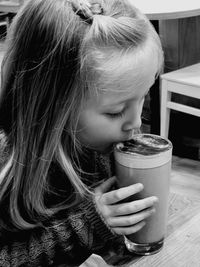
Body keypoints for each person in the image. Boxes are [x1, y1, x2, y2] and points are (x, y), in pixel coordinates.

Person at [0, 0, 163, 266]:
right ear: (52, 106)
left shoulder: (105, 146)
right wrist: (87, 225)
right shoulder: (8, 165)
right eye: (116, 111)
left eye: (143, 96)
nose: (135, 123)